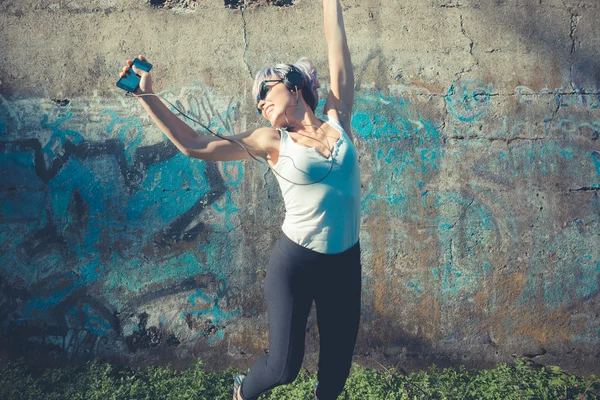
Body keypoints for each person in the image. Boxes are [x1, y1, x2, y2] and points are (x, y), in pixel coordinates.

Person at [118, 1, 360, 399]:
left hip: (346, 262)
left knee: (335, 373)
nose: (260, 102)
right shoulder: (271, 141)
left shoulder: (338, 116)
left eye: (265, 92)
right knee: (284, 368)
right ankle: (242, 392)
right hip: (296, 262)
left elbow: (337, 43)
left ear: (294, 87)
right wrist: (147, 96)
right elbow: (195, 145)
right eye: (257, 102)